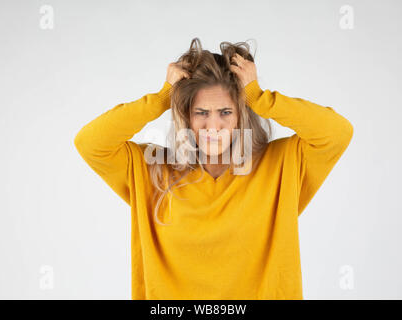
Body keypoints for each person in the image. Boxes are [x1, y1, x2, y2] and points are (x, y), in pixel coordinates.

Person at [74, 38, 354, 300]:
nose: (213, 127)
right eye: (201, 113)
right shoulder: (154, 169)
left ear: (242, 114)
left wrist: (259, 97)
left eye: (225, 112)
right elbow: (91, 143)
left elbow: (336, 132)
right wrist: (163, 98)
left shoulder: (281, 163)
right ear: (185, 115)